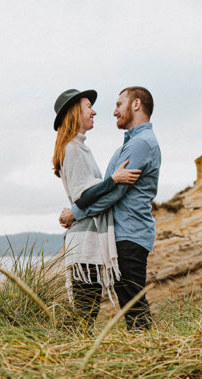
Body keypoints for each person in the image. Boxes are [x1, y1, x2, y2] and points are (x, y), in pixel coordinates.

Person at [59, 86, 160, 331]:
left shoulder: (140, 144)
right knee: (120, 303)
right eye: (89, 107)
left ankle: (148, 356)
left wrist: (76, 212)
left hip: (130, 234)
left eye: (118, 104)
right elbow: (106, 187)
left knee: (132, 304)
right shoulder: (127, 145)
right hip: (117, 236)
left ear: (136, 105)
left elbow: (114, 193)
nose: (113, 112)